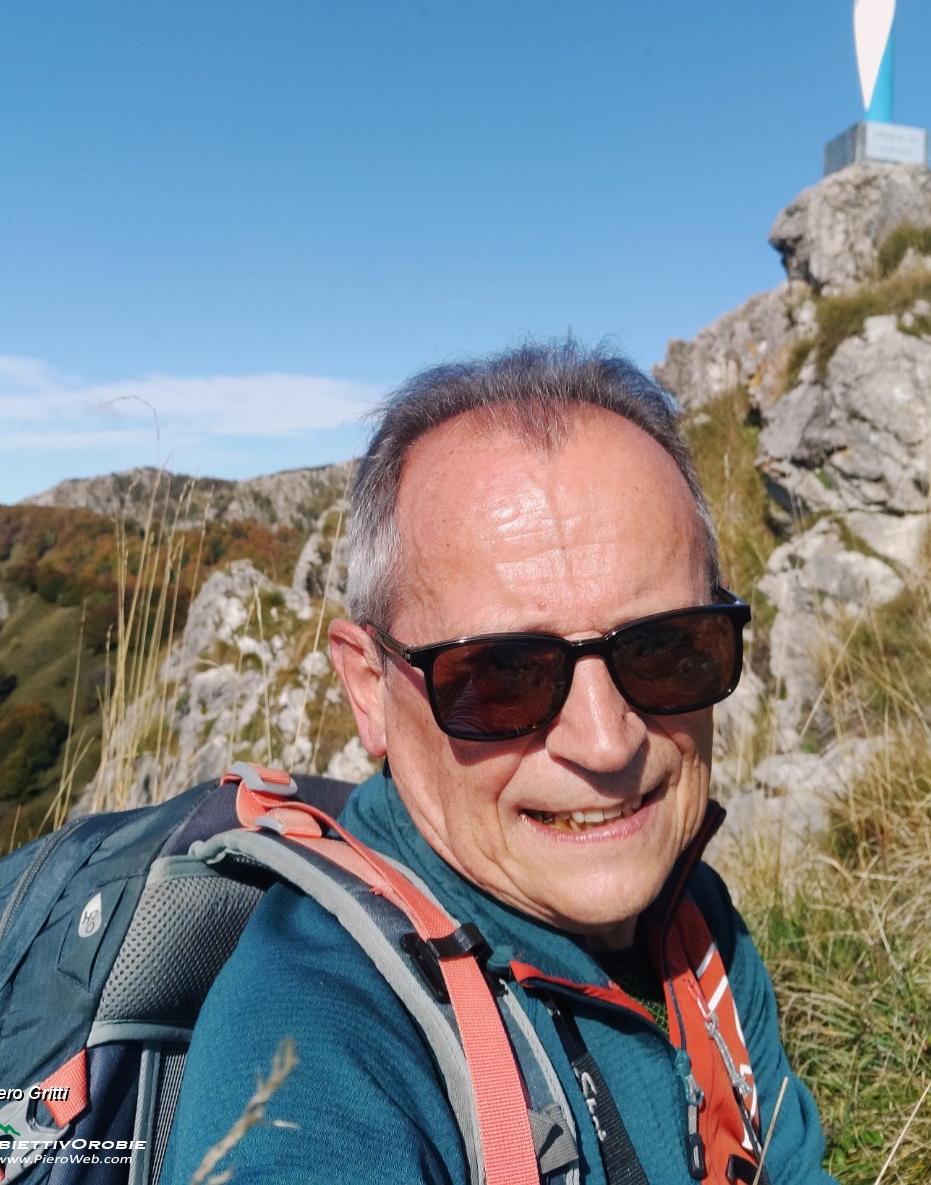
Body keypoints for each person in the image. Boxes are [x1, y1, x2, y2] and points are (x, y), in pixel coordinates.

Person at [161, 341, 837, 1184]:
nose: (606, 742)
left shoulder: (693, 920)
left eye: (667, 648)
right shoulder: (316, 1038)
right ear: (368, 688)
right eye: (503, 675)